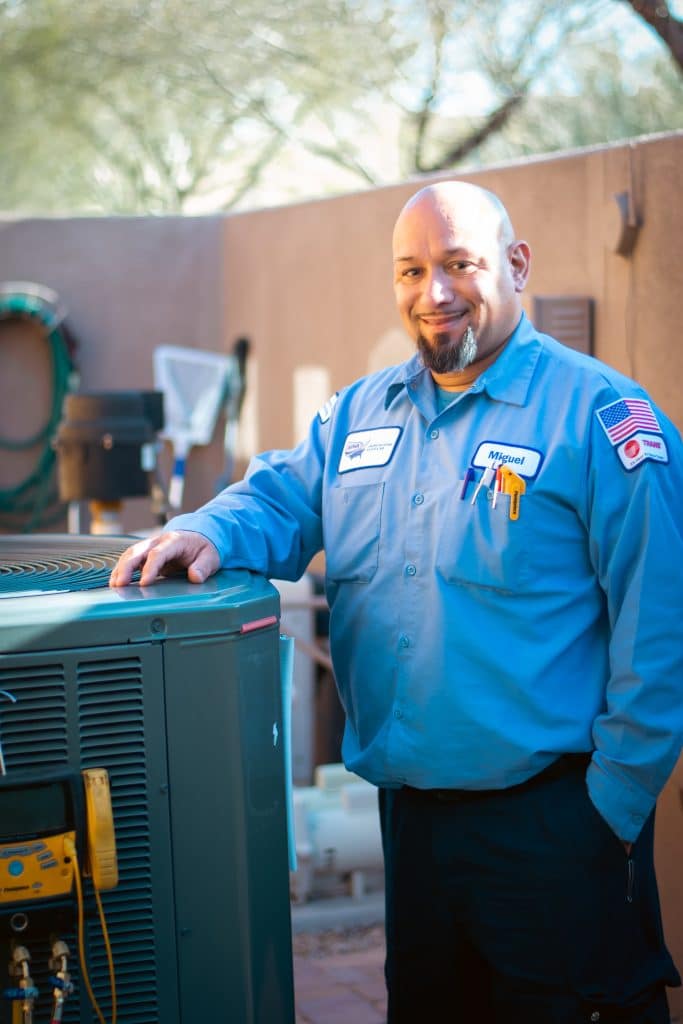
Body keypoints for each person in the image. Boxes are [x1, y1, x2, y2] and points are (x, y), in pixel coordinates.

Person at [110, 181, 683, 1023]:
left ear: (516, 265)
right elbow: (275, 497)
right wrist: (210, 530)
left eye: (459, 265)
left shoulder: (601, 418)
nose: (433, 293)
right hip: (412, 832)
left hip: (555, 829)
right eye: (410, 271)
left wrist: (611, 812)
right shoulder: (358, 414)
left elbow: (659, 630)